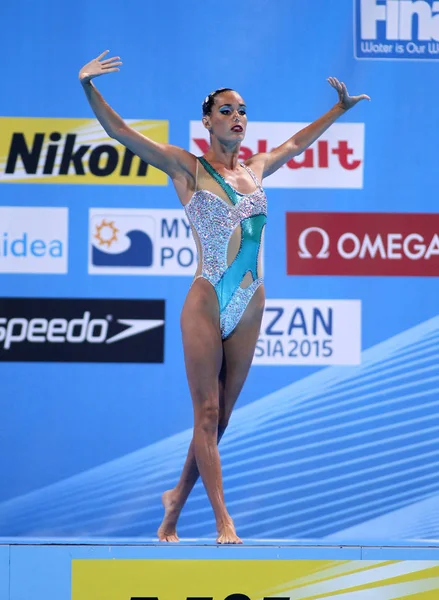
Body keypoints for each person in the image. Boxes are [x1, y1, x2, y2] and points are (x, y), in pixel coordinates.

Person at [79, 51, 370, 544]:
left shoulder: (256, 170)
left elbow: (297, 142)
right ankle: (222, 520)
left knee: (223, 419)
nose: (238, 118)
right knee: (206, 414)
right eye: (227, 111)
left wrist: (338, 110)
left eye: (242, 111)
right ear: (207, 120)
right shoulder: (185, 166)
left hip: (251, 301)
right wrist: (88, 87)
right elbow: (121, 135)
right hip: (206, 298)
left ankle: (174, 502)